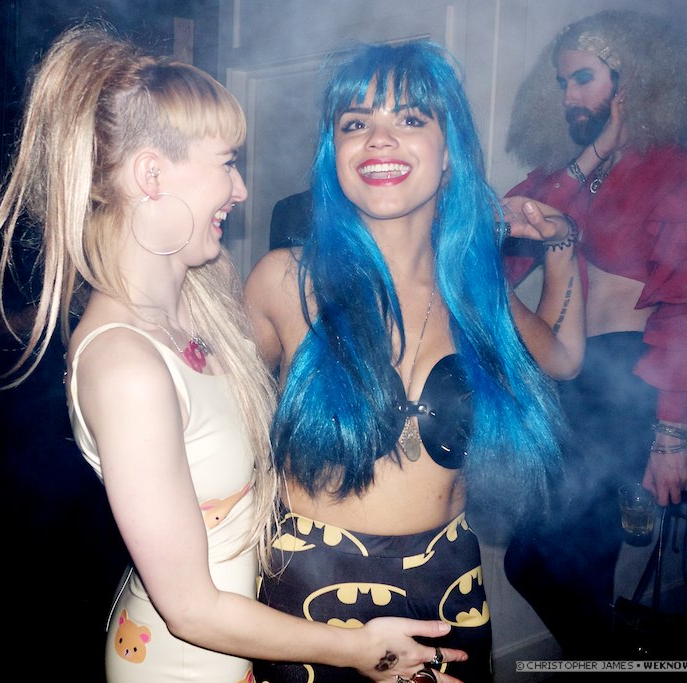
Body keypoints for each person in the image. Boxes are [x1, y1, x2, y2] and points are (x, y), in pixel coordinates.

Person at [0, 24, 469, 683]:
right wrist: (361, 650)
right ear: (152, 176)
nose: (241, 189)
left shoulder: (197, 304)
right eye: (226, 162)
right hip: (184, 666)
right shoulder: (126, 367)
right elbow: (190, 609)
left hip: (245, 646)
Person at [244, 40, 584, 682]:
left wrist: (563, 245)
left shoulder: (476, 292)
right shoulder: (284, 281)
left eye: (409, 117)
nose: (379, 138)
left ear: (449, 152)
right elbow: (213, 419)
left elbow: (562, 358)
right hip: (311, 590)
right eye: (355, 123)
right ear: (334, 153)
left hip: (446, 585)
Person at [498, 10, 687, 659]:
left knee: (556, 561)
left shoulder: (681, 173)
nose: (568, 96)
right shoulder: (570, 173)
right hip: (564, 381)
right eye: (561, 83)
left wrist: (670, 435)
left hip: (625, 385)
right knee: (541, 560)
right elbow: (500, 246)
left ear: (630, 79)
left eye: (582, 78)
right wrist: (593, 154)